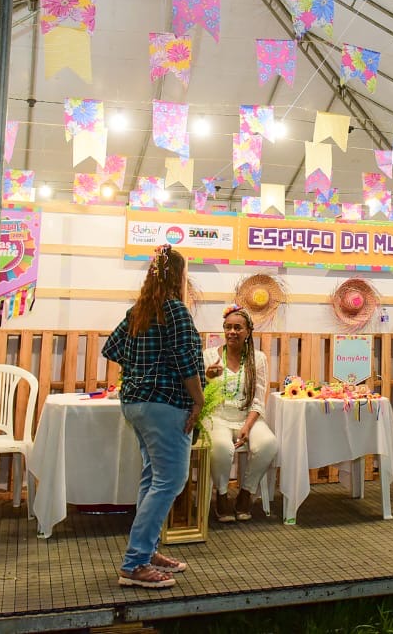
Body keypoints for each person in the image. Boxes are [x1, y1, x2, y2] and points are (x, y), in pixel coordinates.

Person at [102, 244, 205, 589]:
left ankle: (145, 552)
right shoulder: (176, 310)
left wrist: (142, 370)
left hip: (135, 403)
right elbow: (186, 359)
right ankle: (134, 563)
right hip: (165, 404)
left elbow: (111, 348)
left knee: (153, 478)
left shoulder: (138, 311)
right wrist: (199, 399)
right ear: (179, 276)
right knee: (170, 480)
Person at [204, 305, 277, 523]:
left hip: (248, 417)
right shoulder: (209, 356)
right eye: (228, 327)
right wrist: (207, 377)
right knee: (222, 447)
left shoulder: (258, 359)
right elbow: (199, 393)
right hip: (217, 417)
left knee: (268, 444)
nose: (232, 332)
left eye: (238, 328)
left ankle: (246, 493)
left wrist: (247, 426)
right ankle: (223, 494)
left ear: (248, 332)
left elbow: (259, 397)